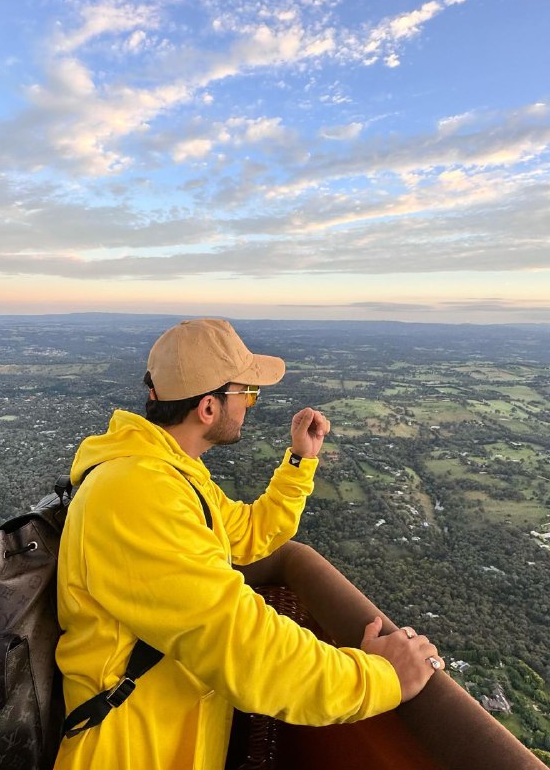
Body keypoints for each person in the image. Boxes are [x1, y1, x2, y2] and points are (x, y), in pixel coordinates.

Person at [54, 318, 443, 770]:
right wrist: (381, 678)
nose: (252, 406)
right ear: (208, 408)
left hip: (167, 740)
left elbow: (251, 532)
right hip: (130, 751)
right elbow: (247, 646)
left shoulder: (168, 474)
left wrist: (300, 461)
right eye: (247, 394)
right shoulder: (137, 494)